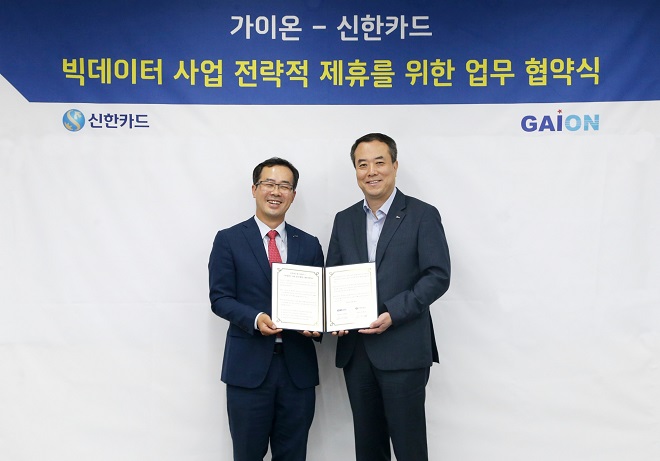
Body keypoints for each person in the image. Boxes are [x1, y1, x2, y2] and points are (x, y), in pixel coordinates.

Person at [326, 133, 451, 461]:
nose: (371, 171)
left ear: (395, 166)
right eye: (362, 164)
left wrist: (394, 312)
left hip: (403, 349)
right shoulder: (344, 219)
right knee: (368, 448)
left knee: (410, 448)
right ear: (355, 171)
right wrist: (334, 315)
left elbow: (437, 275)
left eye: (379, 162)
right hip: (357, 352)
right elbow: (333, 276)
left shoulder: (422, 215)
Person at [208, 157, 324, 461]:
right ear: (254, 189)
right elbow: (220, 297)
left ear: (293, 195)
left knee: (293, 455)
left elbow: (320, 300)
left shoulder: (309, 244)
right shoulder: (229, 240)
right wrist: (256, 318)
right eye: (269, 184)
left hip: (297, 370)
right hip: (248, 370)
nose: (276, 191)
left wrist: (319, 324)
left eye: (284, 186)